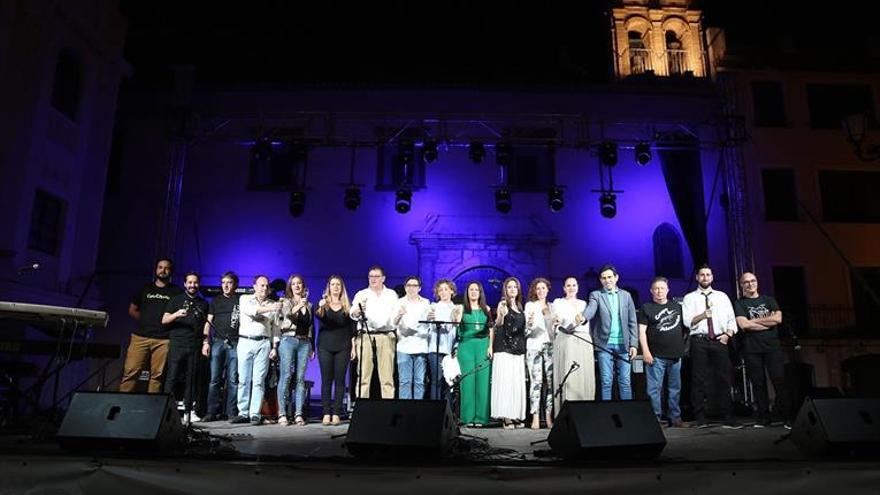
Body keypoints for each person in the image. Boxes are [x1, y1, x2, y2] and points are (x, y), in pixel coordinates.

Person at [682, 264, 742, 429]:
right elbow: (687, 322)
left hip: (719, 340)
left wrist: (728, 335)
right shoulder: (689, 298)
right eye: (702, 275)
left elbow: (731, 320)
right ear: (697, 277)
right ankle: (700, 417)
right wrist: (702, 315)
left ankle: (728, 416)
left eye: (708, 275)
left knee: (724, 379)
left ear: (712, 277)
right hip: (699, 341)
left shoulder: (722, 296)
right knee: (698, 380)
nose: (705, 278)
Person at [120, 258, 182, 393]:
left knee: (157, 376)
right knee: (131, 372)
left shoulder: (176, 292)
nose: (163, 270)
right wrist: (145, 321)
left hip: (163, 339)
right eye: (160, 267)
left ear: (171, 271)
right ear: (156, 270)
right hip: (140, 337)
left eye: (166, 268)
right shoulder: (145, 288)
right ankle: (122, 404)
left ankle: (152, 410)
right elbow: (132, 309)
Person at [734, 272, 787, 428]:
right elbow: (744, 325)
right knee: (758, 384)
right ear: (742, 285)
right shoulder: (739, 304)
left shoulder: (768, 300)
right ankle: (763, 419)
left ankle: (787, 418)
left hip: (772, 348)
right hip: (751, 349)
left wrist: (754, 321)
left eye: (753, 281)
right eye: (747, 282)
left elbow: (778, 319)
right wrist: (767, 323)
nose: (751, 284)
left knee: (779, 381)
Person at [230, 275, 281, 425]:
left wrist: (275, 347)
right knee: (243, 379)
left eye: (266, 286)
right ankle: (243, 412)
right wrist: (272, 308)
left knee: (259, 380)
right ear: (254, 286)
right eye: (261, 285)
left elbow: (275, 328)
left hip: (263, 343)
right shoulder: (245, 299)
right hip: (245, 341)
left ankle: (254, 413)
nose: (264, 288)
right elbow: (252, 311)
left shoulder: (273, 303)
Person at [583, 265, 638, 401]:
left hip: (623, 344)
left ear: (616, 278)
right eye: (603, 278)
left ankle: (627, 415)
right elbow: (591, 309)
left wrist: (634, 344)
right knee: (606, 381)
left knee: (625, 382)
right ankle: (606, 416)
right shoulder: (596, 295)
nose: (607, 280)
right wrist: (584, 317)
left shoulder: (626, 296)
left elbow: (632, 321)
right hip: (604, 344)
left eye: (609, 277)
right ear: (600, 280)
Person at [638, 277, 686, 427]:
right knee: (654, 389)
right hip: (655, 356)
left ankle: (675, 418)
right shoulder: (646, 308)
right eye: (656, 288)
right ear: (651, 291)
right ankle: (656, 419)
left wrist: (681, 347)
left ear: (667, 290)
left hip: (676, 355)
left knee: (675, 389)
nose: (659, 291)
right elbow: (641, 332)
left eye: (662, 288)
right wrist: (646, 351)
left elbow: (685, 329)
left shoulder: (677, 307)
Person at [162, 271, 209, 419]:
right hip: (177, 343)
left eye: (195, 282)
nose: (192, 285)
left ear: (199, 284)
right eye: (190, 282)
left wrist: (205, 342)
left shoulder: (203, 303)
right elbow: (164, 320)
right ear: (184, 284)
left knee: (192, 378)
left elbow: (206, 327)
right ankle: (165, 410)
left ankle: (189, 411)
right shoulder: (176, 300)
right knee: (172, 376)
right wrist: (176, 314)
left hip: (194, 344)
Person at [349, 265, 399, 399]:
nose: (373, 279)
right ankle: (361, 407)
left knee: (387, 376)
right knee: (364, 375)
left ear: (383, 278)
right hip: (366, 335)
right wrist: (358, 312)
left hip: (386, 335)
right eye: (371, 276)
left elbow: (395, 316)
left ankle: (387, 409)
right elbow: (352, 313)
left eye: (376, 276)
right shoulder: (362, 294)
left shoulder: (391, 294)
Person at [552, 276, 597, 414]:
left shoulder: (584, 304)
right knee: (568, 375)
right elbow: (556, 321)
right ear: (564, 288)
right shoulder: (558, 302)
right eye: (568, 285)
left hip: (582, 341)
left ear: (578, 287)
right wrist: (556, 321)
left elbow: (586, 324)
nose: (571, 288)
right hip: (565, 340)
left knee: (582, 375)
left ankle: (584, 411)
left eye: (574, 285)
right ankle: (566, 412)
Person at [201, 271, 240, 422]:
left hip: (235, 342)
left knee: (233, 380)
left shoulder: (240, 301)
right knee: (214, 379)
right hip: (217, 341)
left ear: (235, 285)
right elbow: (208, 322)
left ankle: (231, 412)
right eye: (223, 282)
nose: (225, 285)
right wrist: (205, 342)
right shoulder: (216, 301)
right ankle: (211, 412)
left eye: (229, 282)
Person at [276, 274, 314, 426]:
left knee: (300, 378)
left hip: (304, 342)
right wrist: (299, 305)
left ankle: (298, 413)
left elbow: (310, 326)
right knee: (286, 376)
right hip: (288, 340)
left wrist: (311, 345)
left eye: (300, 283)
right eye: (294, 284)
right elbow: (288, 315)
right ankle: (282, 413)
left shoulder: (309, 305)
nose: (297, 286)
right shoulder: (285, 301)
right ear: (290, 287)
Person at [316, 275, 354, 426]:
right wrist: (321, 306)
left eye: (338, 284)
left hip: (343, 347)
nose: (336, 287)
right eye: (333, 284)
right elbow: (319, 316)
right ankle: (326, 412)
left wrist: (354, 348)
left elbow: (352, 329)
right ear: (329, 287)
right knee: (326, 380)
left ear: (342, 287)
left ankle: (336, 413)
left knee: (340, 381)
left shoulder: (347, 306)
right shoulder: (323, 304)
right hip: (325, 346)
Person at [491, 277, 527, 429]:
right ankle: (506, 416)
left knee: (515, 383)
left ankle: (515, 414)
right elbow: (498, 324)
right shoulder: (502, 304)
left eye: (515, 287)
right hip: (504, 348)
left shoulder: (520, 306)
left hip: (518, 349)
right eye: (509, 287)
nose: (512, 290)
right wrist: (501, 315)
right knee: (505, 382)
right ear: (505, 290)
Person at [457, 281, 492, 427]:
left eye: (476, 289)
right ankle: (467, 417)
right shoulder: (461, 308)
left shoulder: (486, 309)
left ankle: (481, 418)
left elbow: (491, 329)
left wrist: (490, 347)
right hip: (466, 346)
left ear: (480, 292)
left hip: (483, 345)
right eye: (471, 289)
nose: (473, 292)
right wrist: (456, 315)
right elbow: (456, 323)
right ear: (467, 292)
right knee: (468, 382)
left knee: (483, 383)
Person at [393, 276, 431, 400]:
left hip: (421, 346)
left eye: (414, 286)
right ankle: (405, 412)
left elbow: (428, 323)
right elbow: (393, 323)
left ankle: (417, 411)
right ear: (405, 288)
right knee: (404, 382)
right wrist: (399, 315)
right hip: (404, 346)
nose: (411, 288)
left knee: (419, 381)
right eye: (408, 285)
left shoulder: (426, 303)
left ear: (419, 288)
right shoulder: (399, 303)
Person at [524, 277, 555, 429]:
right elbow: (526, 329)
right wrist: (529, 324)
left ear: (548, 290)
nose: (541, 291)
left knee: (550, 383)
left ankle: (548, 416)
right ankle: (535, 416)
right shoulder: (530, 305)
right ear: (534, 291)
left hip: (549, 346)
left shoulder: (552, 306)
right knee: (536, 382)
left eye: (543, 288)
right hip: (534, 346)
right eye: (538, 288)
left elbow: (555, 329)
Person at [426, 279, 461, 400]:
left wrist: (456, 347)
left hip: (450, 350)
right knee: (437, 380)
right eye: (441, 290)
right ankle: (435, 411)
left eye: (446, 289)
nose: (444, 292)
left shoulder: (456, 308)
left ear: (452, 291)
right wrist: (452, 318)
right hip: (436, 349)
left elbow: (457, 331)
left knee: (449, 382)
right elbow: (441, 327)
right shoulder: (434, 307)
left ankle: (448, 413)